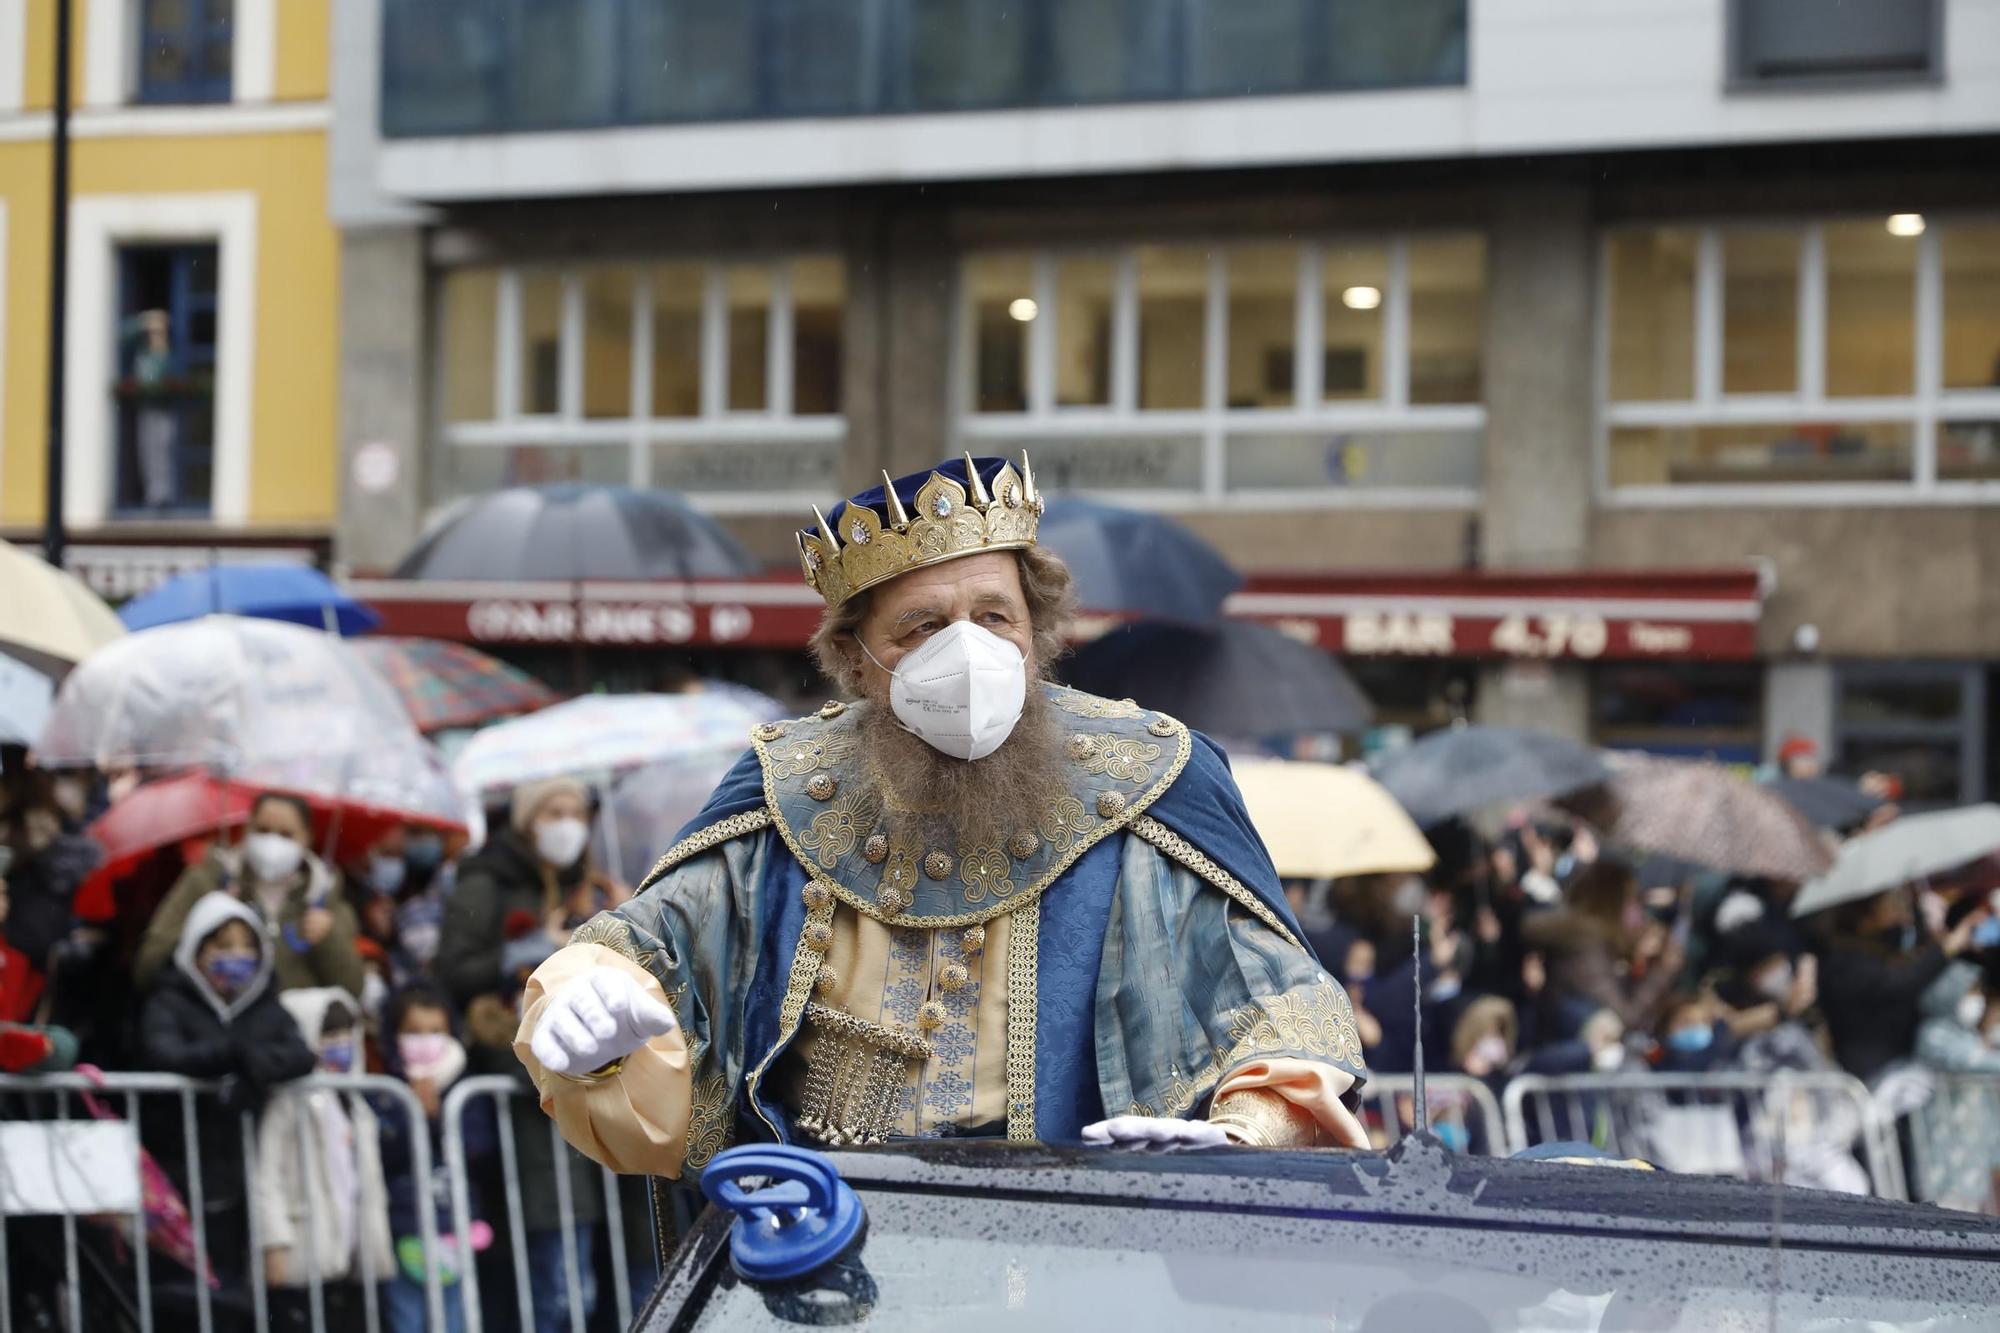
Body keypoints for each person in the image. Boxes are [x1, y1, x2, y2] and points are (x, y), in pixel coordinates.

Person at [514, 454, 1367, 1193]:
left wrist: (1246, 1133)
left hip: (1082, 1251)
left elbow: (1285, 1000)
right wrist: (589, 992)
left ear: (1037, 629)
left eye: (994, 617)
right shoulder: (784, 785)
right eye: (923, 626)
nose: (968, 652)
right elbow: (640, 948)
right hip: (834, 1244)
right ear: (857, 657)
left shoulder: (1152, 772)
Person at [438, 778, 609, 1333]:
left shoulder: (590, 881)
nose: (567, 823)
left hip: (591, 1069)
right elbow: (453, 968)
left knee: (596, 1251)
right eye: (552, 811)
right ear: (527, 821)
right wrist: (526, 951)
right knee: (554, 1257)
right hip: (523, 1076)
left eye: (575, 811)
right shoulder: (486, 879)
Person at [137, 892, 318, 1281]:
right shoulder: (169, 1001)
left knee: (233, 1284)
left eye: (246, 946)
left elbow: (300, 1054)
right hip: (178, 1167)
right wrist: (232, 1053)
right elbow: (164, 1053)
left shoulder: (266, 1005)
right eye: (223, 945)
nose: (237, 955)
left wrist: (254, 1065)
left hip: (241, 1170)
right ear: (197, 950)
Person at [136, 792, 364, 998]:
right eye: (262, 830)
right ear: (247, 829)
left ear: (307, 838)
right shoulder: (206, 881)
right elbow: (148, 966)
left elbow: (353, 988)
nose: (273, 843)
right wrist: (204, 939)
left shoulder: (324, 895)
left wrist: (328, 939)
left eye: (286, 835)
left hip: (294, 1037)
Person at [256, 988, 394, 1327]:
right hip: (303, 1244)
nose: (342, 1044)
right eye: (330, 1035)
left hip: (348, 1246)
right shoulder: (289, 1101)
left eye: (349, 1035)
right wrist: (274, 1242)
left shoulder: (355, 1104)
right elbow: (266, 1176)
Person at [373, 985, 492, 1333]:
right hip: (402, 1225)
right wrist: (411, 1117)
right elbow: (382, 1155)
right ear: (394, 1035)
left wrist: (438, 1118)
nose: (424, 1040)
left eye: (435, 1031)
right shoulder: (387, 1088)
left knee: (455, 1317)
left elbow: (480, 1147)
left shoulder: (463, 1084)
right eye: (413, 1031)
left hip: (454, 1225)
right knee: (407, 1317)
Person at [1810, 887, 1986, 1083]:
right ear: (1866, 912)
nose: (1902, 914)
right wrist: (1948, 946)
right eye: (1894, 904)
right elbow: (1901, 983)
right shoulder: (1844, 960)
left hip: (1900, 1065)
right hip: (1872, 1072)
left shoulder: (1881, 948)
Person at [1522, 858, 1684, 1040]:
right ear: (1612, 903)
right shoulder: (1585, 945)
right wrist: (1663, 970)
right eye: (1633, 900)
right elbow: (1625, 1019)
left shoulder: (1590, 940)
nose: (1638, 913)